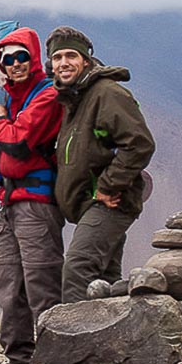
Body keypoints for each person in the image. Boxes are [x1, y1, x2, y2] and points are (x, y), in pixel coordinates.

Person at [47, 27, 155, 302]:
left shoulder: (106, 93)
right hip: (90, 204)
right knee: (104, 282)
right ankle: (115, 342)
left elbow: (139, 144)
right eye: (57, 57)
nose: (63, 63)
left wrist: (108, 186)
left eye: (71, 55)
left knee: (77, 271)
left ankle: (73, 342)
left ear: (86, 60)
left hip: (109, 202)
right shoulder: (74, 98)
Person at [0, 27, 65, 364]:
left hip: (36, 201)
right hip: (10, 201)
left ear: (34, 58)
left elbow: (18, 140)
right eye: (8, 59)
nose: (15, 64)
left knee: (42, 282)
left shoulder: (47, 95)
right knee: (8, 284)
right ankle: (18, 361)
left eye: (21, 56)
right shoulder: (13, 97)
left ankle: (55, 361)